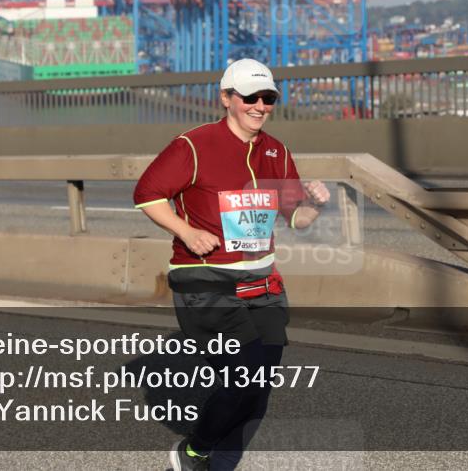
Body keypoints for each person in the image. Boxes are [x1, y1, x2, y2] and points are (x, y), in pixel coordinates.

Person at [133, 58, 330, 471]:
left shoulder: (276, 151)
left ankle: (219, 465)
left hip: (263, 282)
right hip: (205, 279)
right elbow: (147, 194)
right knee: (245, 376)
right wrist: (187, 232)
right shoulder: (193, 145)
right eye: (250, 97)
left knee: (259, 389)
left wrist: (315, 204)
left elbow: (296, 218)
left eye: (268, 98)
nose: (260, 106)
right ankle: (194, 449)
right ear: (226, 98)